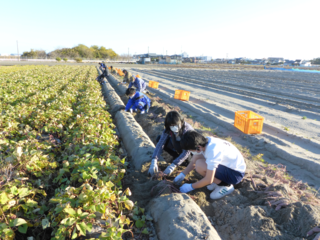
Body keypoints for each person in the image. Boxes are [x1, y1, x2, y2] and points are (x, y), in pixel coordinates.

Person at [174, 131, 246, 199]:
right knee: (198, 160)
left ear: (198, 147)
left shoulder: (212, 151)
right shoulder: (204, 141)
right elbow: (194, 159)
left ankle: (225, 186)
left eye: (191, 150)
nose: (191, 152)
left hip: (235, 174)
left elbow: (209, 180)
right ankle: (218, 181)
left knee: (199, 165)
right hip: (229, 166)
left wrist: (190, 187)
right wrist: (183, 174)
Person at [148, 111, 194, 176]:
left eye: (176, 125)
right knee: (159, 138)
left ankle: (185, 161)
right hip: (177, 145)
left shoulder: (187, 131)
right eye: (171, 126)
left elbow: (186, 152)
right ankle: (176, 157)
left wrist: (173, 165)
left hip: (189, 150)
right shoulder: (168, 129)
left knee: (188, 160)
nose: (174, 127)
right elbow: (161, 143)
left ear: (181, 121)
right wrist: (154, 160)